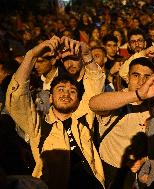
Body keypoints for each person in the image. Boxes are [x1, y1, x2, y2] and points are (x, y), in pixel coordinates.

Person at [5, 36, 105, 189]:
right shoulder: (38, 125)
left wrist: (86, 55)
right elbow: (17, 96)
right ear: (50, 98)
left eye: (72, 91)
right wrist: (31, 56)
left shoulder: (84, 116)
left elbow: (95, 82)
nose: (66, 94)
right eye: (60, 90)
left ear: (78, 100)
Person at [89, 57, 154, 189]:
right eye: (136, 75)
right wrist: (137, 95)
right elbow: (93, 104)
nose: (141, 81)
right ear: (127, 78)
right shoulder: (117, 100)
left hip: (142, 173)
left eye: (147, 77)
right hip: (113, 171)